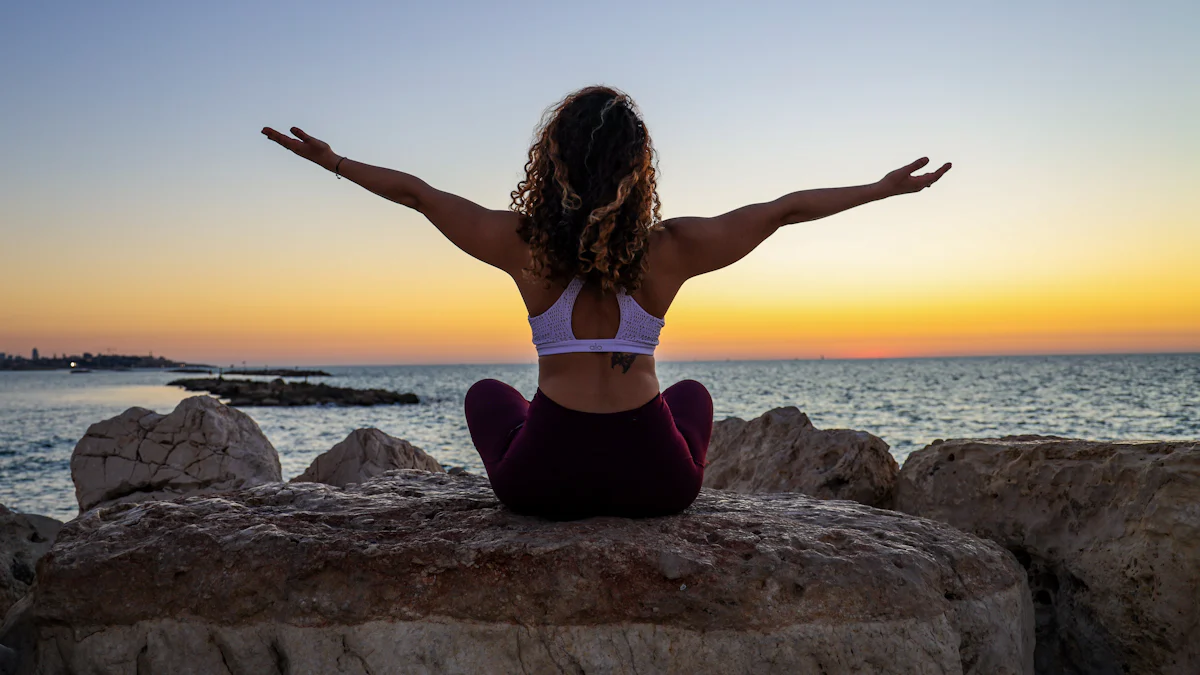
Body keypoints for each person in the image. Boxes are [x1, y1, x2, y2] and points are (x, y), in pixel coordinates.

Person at [262, 85, 951, 519]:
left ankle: (547, 422)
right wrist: (880, 188)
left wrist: (334, 161)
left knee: (485, 395)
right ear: (638, 170)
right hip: (656, 483)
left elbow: (418, 194)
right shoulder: (671, 249)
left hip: (540, 483)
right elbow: (784, 210)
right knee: (694, 397)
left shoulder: (523, 245)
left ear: (550, 163)